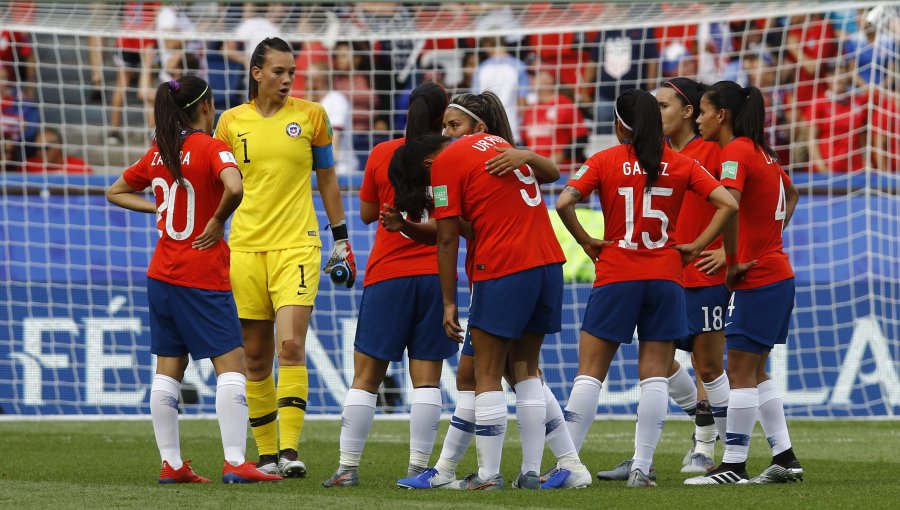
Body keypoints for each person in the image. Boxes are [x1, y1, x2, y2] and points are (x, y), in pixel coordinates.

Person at [394, 92, 592, 491]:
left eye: (453, 125)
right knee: (521, 371)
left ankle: (488, 476)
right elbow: (538, 181)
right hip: (547, 265)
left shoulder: (450, 161)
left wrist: (449, 302)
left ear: (476, 127)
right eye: (444, 127)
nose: (446, 134)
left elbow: (448, 239)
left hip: (502, 269)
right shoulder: (502, 147)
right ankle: (532, 472)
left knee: (484, 374)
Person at [557, 88, 738, 488]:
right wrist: (695, 245)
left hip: (618, 273)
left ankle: (568, 464)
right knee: (654, 375)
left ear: (620, 124)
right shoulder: (679, 163)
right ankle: (641, 466)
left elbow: (563, 202)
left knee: (590, 374)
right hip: (666, 276)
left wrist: (587, 241)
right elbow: (729, 204)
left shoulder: (605, 160)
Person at [105, 75, 281, 484]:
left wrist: (158, 211)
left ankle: (172, 465)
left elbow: (114, 191)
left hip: (161, 275)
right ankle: (236, 461)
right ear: (206, 106)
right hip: (201, 273)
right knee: (232, 366)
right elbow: (234, 187)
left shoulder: (158, 152)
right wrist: (218, 220)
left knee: (168, 369)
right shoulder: (211, 146)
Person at [213, 37, 355, 477]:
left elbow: (328, 180)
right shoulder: (229, 123)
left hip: (298, 244)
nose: (287, 79)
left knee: (291, 344)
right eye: (278, 71)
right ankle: (267, 454)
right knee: (254, 358)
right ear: (257, 73)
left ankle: (290, 452)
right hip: (245, 248)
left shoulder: (312, 117)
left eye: (292, 71)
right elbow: (219, 183)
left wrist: (341, 239)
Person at [322, 82, 454, 488]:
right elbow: (452, 221)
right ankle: (417, 469)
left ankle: (347, 468)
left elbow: (364, 214)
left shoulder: (382, 154)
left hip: (387, 276)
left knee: (366, 376)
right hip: (436, 276)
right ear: (441, 116)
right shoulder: (448, 157)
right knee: (427, 378)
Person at [685, 81, 803, 485]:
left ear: (723, 115)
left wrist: (731, 257)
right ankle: (785, 458)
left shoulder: (734, 150)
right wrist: (769, 240)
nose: (698, 119)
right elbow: (793, 191)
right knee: (755, 372)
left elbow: (729, 204)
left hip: (759, 277)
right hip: (776, 273)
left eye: (702, 111)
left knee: (738, 371)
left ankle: (733, 465)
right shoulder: (763, 152)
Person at [24, 126, 93, 173]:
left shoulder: (79, 166)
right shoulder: (28, 166)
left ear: (59, 145)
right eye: (37, 148)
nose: (40, 152)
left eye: (46, 148)